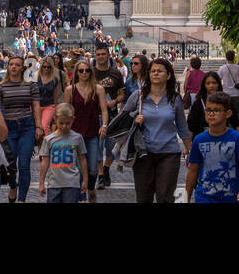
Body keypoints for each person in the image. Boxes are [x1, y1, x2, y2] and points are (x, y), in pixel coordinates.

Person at [122, 57, 190, 204]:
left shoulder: (174, 98)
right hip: (143, 153)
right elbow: (123, 119)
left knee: (165, 197)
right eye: (152, 71)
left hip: (169, 153)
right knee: (143, 197)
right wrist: (134, 120)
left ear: (168, 75)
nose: (156, 74)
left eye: (160, 71)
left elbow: (182, 126)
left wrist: (190, 150)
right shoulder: (138, 96)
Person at [186, 94, 239, 204]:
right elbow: (193, 171)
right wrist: (186, 197)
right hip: (204, 196)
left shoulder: (237, 138)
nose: (211, 114)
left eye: (216, 110)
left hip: (231, 197)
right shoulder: (199, 140)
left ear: (228, 113)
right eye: (208, 110)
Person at [0, 54, 43, 203]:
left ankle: (21, 199)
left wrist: (39, 126)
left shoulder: (31, 85)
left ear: (22, 67)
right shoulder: (0, 87)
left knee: (24, 164)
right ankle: (13, 186)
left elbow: (36, 106)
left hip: (27, 126)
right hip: (9, 127)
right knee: (10, 165)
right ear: (8, 67)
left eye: (17, 64)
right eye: (11, 64)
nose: (14, 67)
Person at [64, 59, 109, 203]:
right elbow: (65, 110)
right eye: (81, 70)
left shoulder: (98, 89)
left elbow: (104, 110)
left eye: (87, 70)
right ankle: (82, 198)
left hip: (92, 133)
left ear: (91, 72)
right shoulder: (70, 89)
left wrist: (105, 125)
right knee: (77, 169)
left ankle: (90, 188)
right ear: (76, 73)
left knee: (92, 169)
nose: (84, 73)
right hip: (75, 133)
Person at [39, 102, 88, 203]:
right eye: (61, 123)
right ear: (55, 119)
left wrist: (85, 180)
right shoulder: (49, 139)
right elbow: (45, 162)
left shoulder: (77, 138)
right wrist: (41, 183)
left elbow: (82, 159)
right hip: (54, 184)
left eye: (68, 123)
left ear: (73, 120)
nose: (64, 126)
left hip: (72, 183)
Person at [92, 42, 125, 188]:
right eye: (98, 54)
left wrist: (114, 101)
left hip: (112, 115)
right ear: (95, 55)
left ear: (108, 55)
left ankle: (106, 168)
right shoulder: (90, 73)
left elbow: (122, 94)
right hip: (94, 114)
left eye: (103, 54)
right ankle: (100, 175)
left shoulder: (116, 73)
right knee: (97, 147)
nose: (100, 57)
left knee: (112, 149)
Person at [187, 71, 238, 142]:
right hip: (203, 139)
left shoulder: (226, 101)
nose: (211, 86)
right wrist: (188, 146)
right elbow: (191, 125)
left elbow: (235, 122)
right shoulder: (199, 103)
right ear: (204, 85)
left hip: (223, 139)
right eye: (208, 83)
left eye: (214, 83)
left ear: (218, 84)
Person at [36, 56, 63, 133]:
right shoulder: (35, 77)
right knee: (37, 128)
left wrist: (56, 109)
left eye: (49, 67)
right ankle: (40, 145)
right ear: (41, 66)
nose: (46, 69)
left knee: (45, 127)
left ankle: (46, 144)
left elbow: (55, 95)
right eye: (44, 67)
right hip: (37, 106)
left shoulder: (54, 79)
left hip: (49, 105)